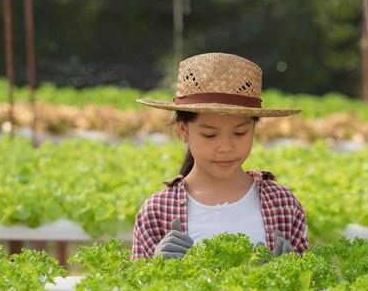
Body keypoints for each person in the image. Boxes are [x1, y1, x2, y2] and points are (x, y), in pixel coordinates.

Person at [131, 52, 309, 260]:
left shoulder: (282, 204)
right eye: (210, 135)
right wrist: (155, 268)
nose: (226, 147)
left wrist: (294, 270)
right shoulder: (157, 212)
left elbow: (309, 287)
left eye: (240, 133)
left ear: (254, 128)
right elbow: (137, 289)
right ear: (183, 130)